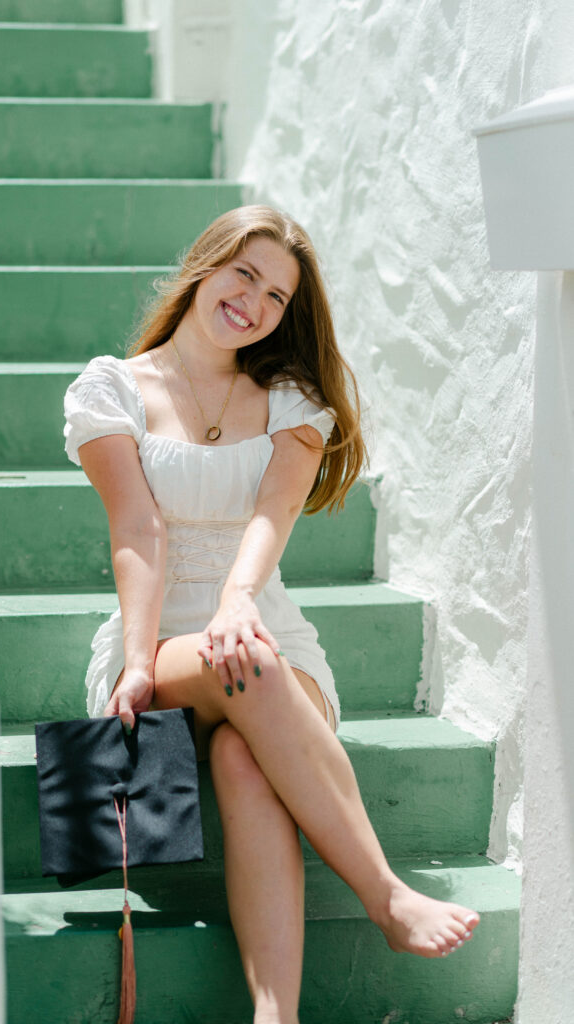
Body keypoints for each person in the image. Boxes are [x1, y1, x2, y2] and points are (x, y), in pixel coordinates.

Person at [63, 205, 480, 1024]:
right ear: (205, 265)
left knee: (247, 758)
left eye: (277, 296)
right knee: (234, 659)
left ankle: (274, 1016)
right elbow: (138, 532)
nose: (253, 301)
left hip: (265, 634)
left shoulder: (289, 398)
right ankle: (385, 895)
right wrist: (142, 660)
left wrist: (238, 599)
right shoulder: (112, 387)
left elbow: (273, 516)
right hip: (163, 646)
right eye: (243, 274)